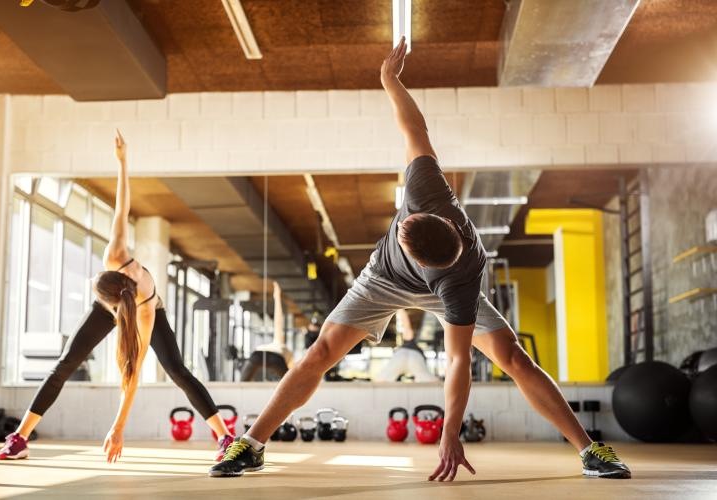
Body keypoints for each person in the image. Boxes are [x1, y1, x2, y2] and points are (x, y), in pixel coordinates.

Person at [210, 38, 631, 480]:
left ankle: (589, 450)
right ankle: (252, 443)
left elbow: (457, 361)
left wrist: (451, 431)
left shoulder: (459, 282)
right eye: (407, 224)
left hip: (431, 288)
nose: (400, 227)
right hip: (381, 279)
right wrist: (390, 82)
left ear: (426, 261)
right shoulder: (426, 190)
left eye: (404, 235)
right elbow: (416, 128)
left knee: (513, 357)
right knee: (319, 352)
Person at [0, 131, 234, 462]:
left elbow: (131, 376)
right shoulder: (115, 255)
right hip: (119, 301)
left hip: (143, 310)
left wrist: (118, 427)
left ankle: (226, 437)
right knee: (65, 363)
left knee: (177, 370)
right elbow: (122, 208)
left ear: (115, 294)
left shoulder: (146, 311)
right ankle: (20, 437)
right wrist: (123, 162)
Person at [240, 281, 293, 381]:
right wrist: (277, 297)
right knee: (288, 382)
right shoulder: (283, 348)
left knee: (242, 382)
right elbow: (278, 321)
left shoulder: (279, 343)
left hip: (257, 355)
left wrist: (277, 297)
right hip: (276, 358)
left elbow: (278, 322)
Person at [374, 310, 437, 383]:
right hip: (414, 356)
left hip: (403, 355)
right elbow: (407, 327)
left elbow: (407, 327)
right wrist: (400, 311)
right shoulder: (412, 344)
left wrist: (400, 310)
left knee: (382, 379)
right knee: (427, 379)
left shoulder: (408, 343)